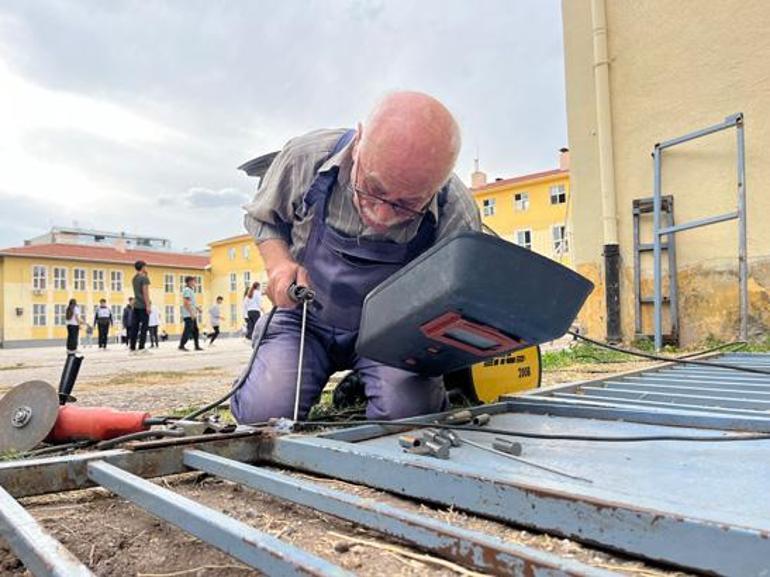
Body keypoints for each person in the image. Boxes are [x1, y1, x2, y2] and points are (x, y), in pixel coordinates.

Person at [232, 91, 481, 424]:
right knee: (262, 415)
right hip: (304, 320)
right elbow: (263, 217)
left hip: (391, 334)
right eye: (373, 188)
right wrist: (279, 264)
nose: (380, 215)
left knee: (407, 417)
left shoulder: (455, 210)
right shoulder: (306, 158)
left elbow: (459, 301)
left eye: (406, 204)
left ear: (437, 184)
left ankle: (369, 385)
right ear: (360, 140)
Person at [129, 260, 151, 353]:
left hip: (136, 305)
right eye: (145, 266)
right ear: (142, 267)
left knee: (135, 326)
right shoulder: (144, 278)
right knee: (144, 327)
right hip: (143, 305)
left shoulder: (134, 278)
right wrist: (148, 306)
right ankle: (141, 347)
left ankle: (132, 347)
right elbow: (145, 293)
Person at [179, 276, 203, 351]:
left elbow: (192, 303)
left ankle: (196, 346)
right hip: (188, 314)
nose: (195, 283)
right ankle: (181, 345)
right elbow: (186, 303)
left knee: (195, 330)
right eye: (193, 281)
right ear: (189, 282)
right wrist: (191, 313)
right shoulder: (187, 290)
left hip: (192, 313)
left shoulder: (191, 290)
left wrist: (197, 308)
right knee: (188, 330)